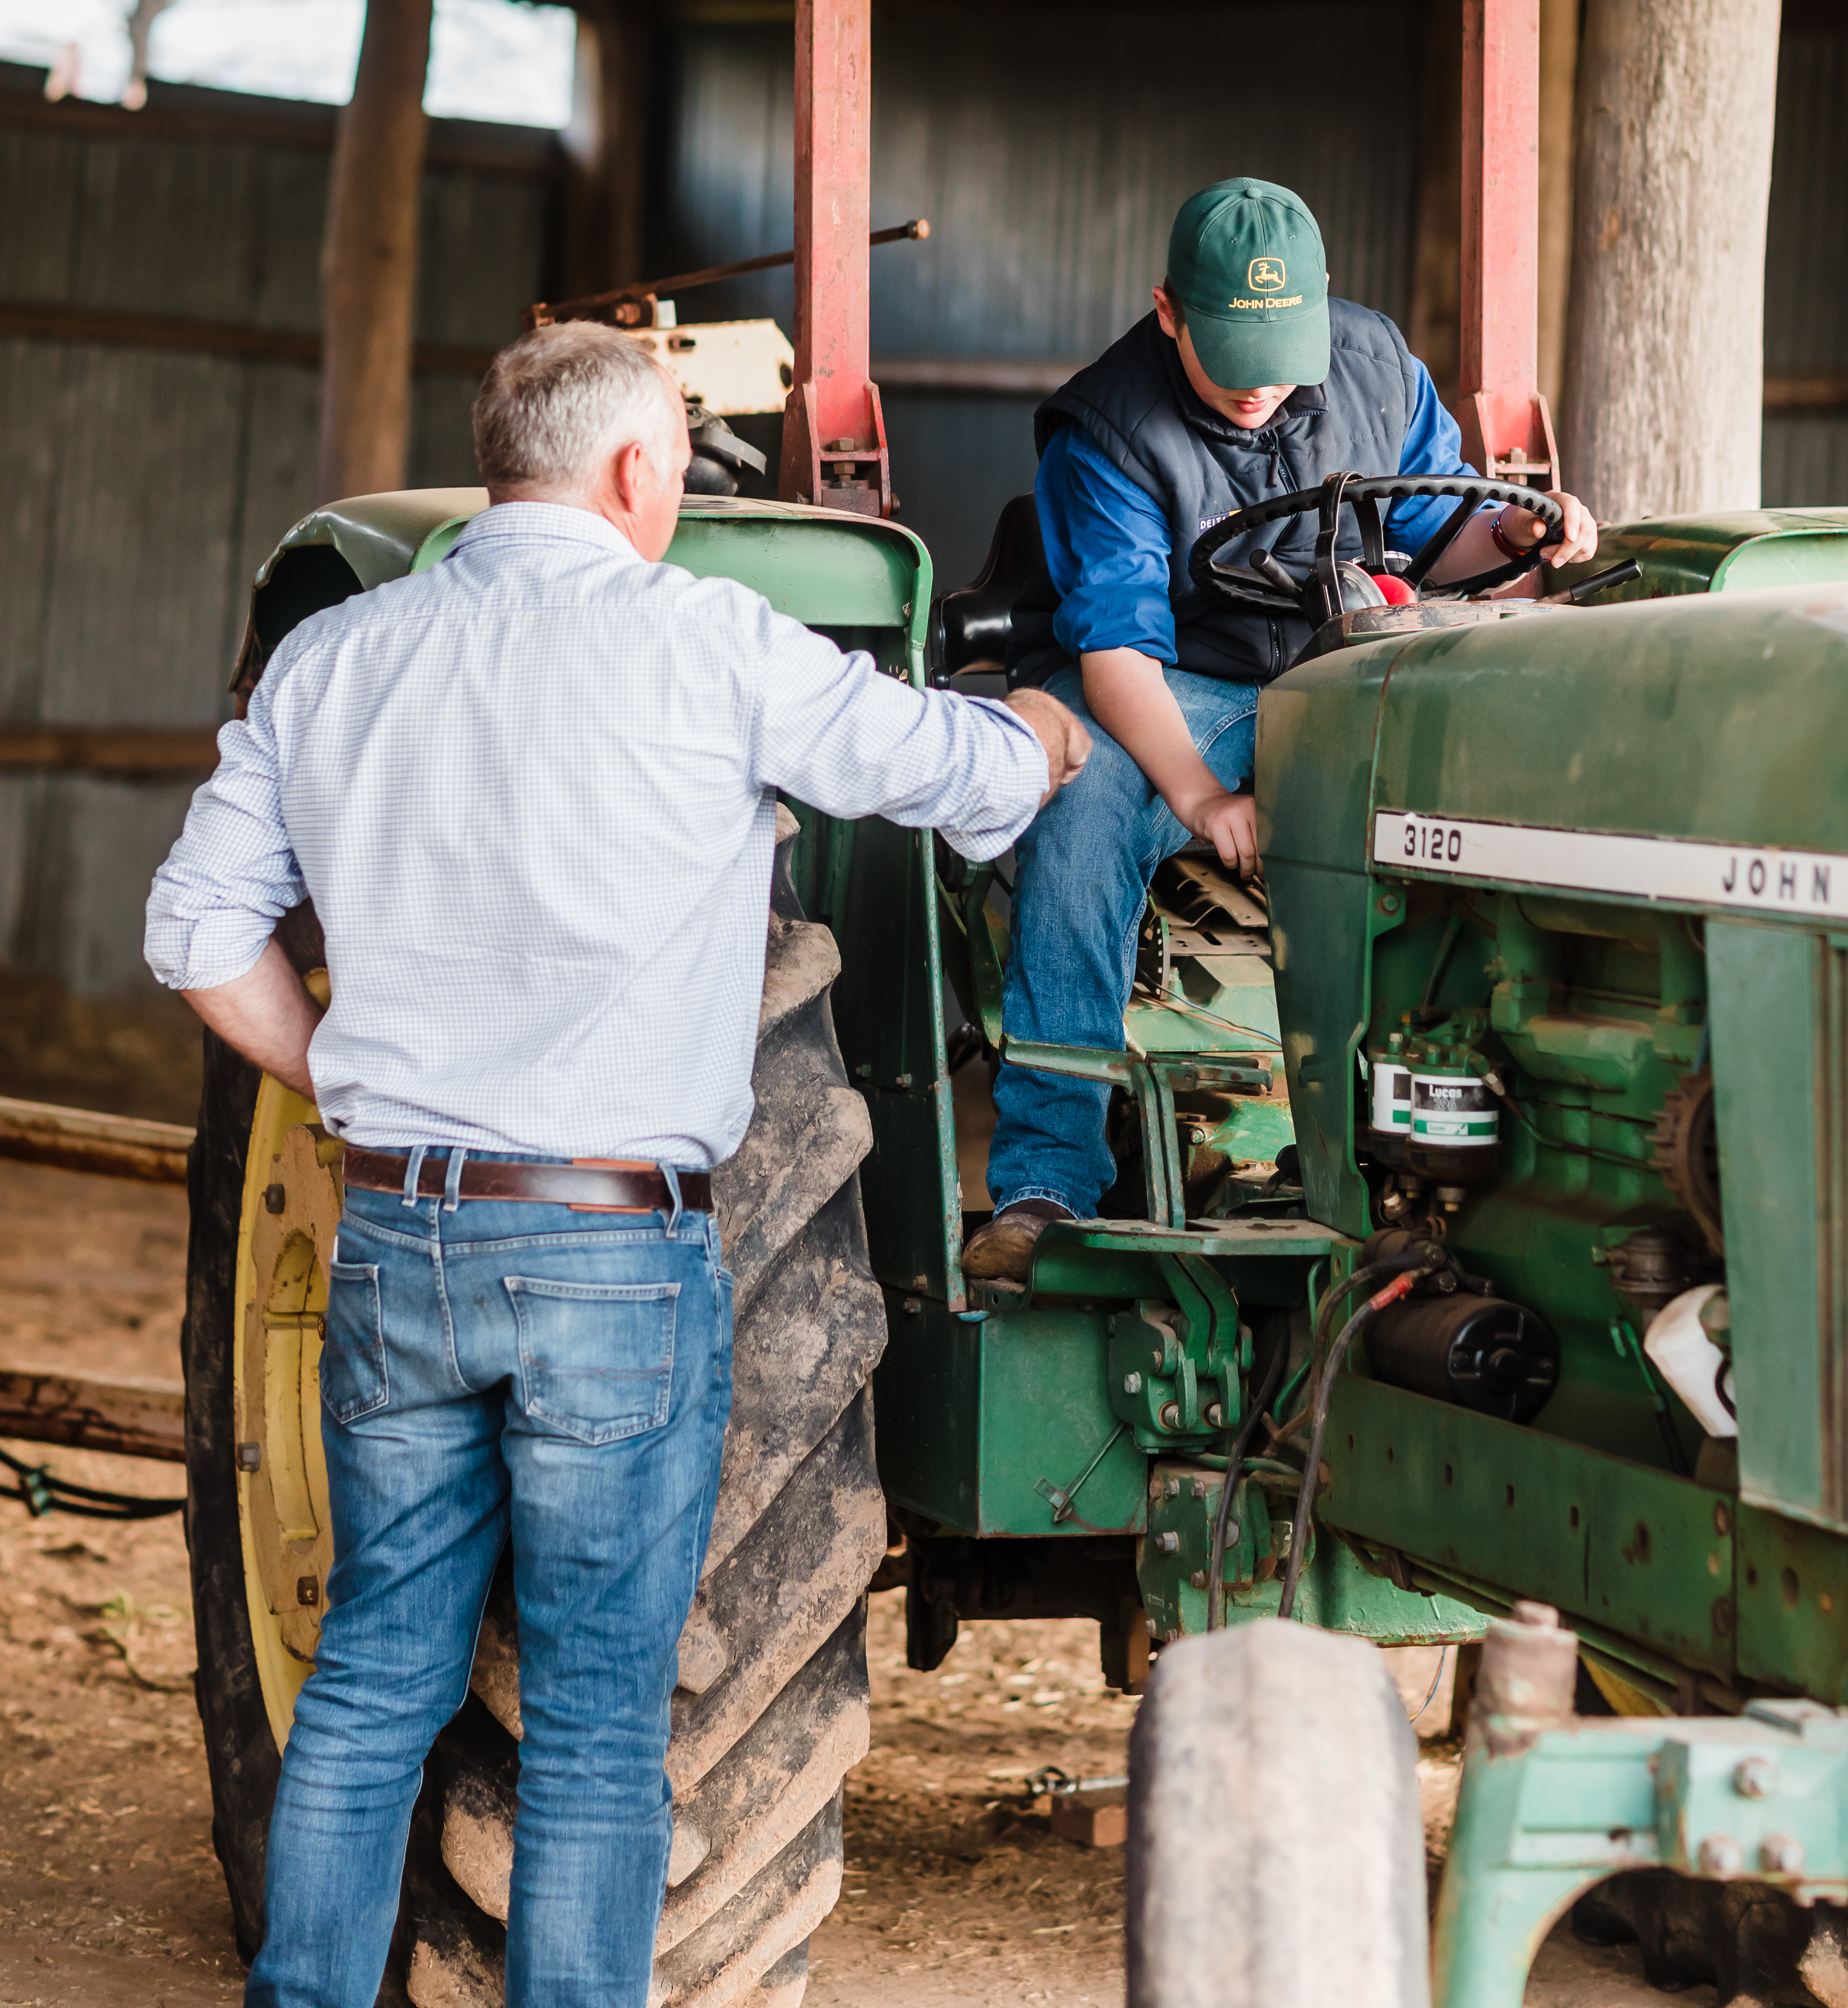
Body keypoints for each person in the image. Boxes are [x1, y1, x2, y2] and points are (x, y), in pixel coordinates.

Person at [145, 322, 1087, 2008]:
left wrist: (346, 1090)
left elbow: (199, 932)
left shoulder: (342, 656)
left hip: (401, 1241)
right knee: (592, 1722)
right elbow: (947, 771)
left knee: (368, 1681)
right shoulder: (712, 642)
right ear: (643, 472)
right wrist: (1042, 738)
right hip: (610, 1260)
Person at [958, 175, 1597, 1282]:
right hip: (1179, 691)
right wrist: (1199, 797)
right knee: (1083, 795)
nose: (1260, 386)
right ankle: (1046, 1178)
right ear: (1168, 312)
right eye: (1230, 355)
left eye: (1280, 350)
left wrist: (1513, 533)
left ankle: (1503, 1150)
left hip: (1337, 670)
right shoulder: (1102, 431)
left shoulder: (1373, 363)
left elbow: (1435, 537)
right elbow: (1116, 654)